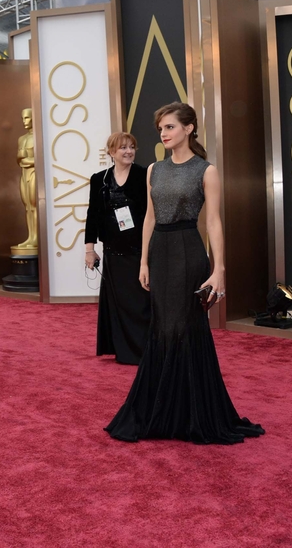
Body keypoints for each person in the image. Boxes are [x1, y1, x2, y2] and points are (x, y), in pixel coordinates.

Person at [106, 102, 264, 444]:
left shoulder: (205, 170)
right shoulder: (153, 170)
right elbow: (149, 217)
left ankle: (192, 412)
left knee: (183, 326)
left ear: (189, 129)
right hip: (160, 253)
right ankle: (163, 411)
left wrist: (218, 268)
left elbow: (214, 222)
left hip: (188, 251)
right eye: (161, 128)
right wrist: (144, 262)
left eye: (170, 127)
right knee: (162, 326)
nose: (163, 134)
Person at [84, 132, 151, 365]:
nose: (128, 151)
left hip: (140, 252)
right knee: (119, 304)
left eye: (132, 147)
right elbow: (92, 216)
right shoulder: (99, 179)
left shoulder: (144, 175)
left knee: (141, 304)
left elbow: (152, 214)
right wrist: (89, 249)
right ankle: (124, 351)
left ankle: (144, 351)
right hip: (113, 252)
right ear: (111, 152)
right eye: (123, 147)